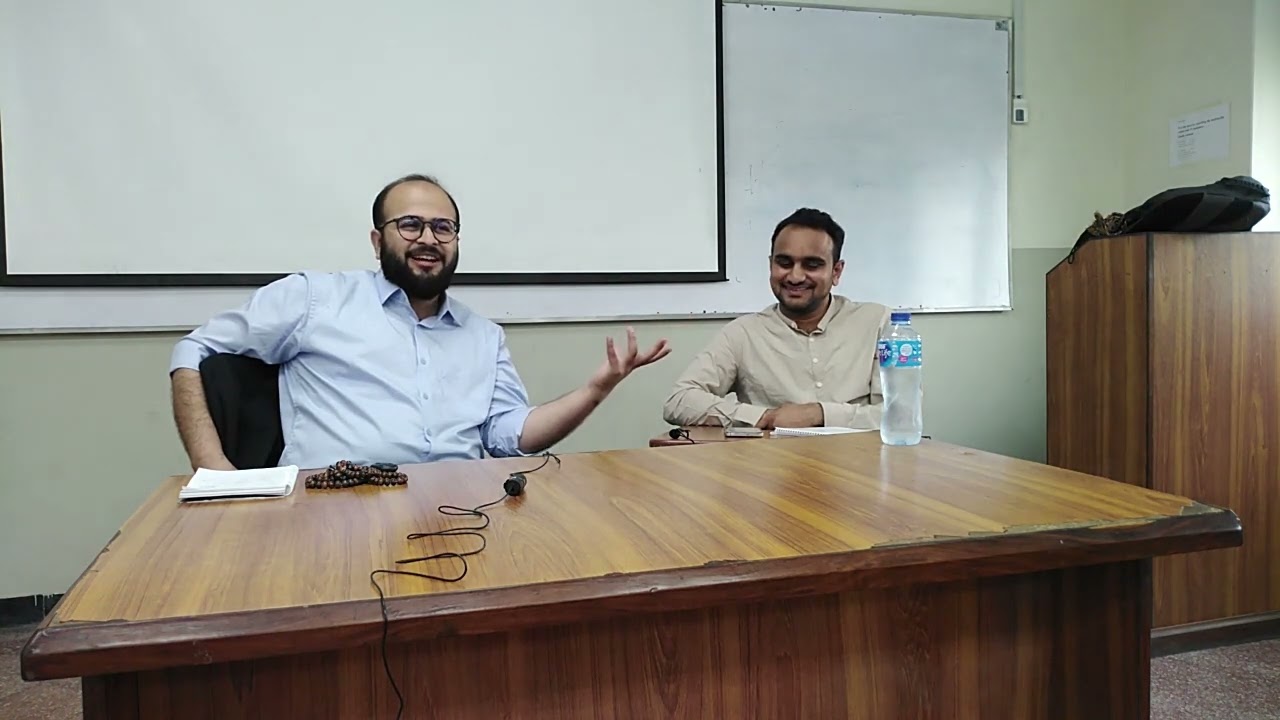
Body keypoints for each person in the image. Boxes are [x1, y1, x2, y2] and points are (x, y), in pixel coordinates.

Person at [169, 173, 670, 471]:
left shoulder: (483, 336)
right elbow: (195, 350)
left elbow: (507, 435)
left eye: (443, 227)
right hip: (333, 514)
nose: (428, 238)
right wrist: (214, 471)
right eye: (410, 224)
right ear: (376, 239)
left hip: (465, 513)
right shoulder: (315, 299)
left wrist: (596, 391)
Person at [662, 208, 889, 430]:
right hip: (771, 464)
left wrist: (819, 414)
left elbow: (901, 414)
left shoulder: (878, 323)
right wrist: (764, 417)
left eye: (812, 265)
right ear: (771, 264)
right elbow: (679, 401)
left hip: (861, 463)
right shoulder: (744, 333)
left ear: (836, 272)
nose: (796, 276)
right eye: (784, 263)